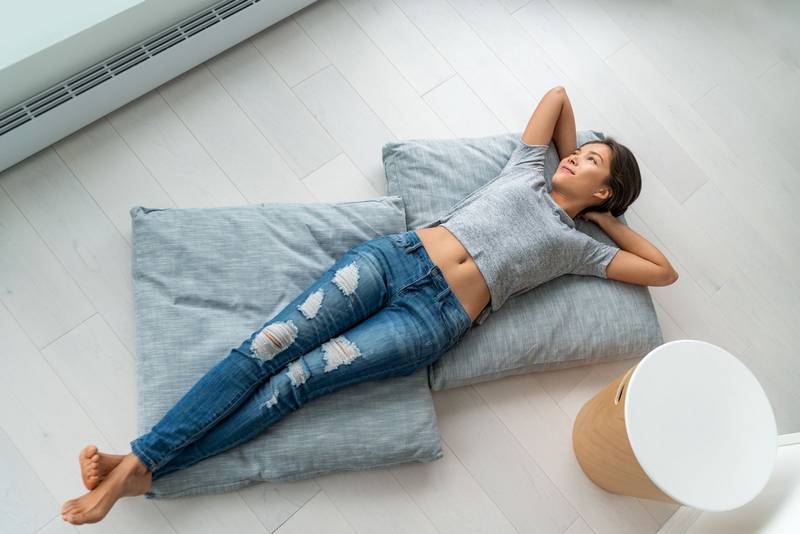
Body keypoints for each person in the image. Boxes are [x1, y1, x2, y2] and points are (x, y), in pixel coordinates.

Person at [61, 85, 678, 524]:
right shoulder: (526, 169)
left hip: (429, 322)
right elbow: (558, 96)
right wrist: (576, 161)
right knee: (264, 350)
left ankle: (139, 468)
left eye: (589, 162)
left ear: (604, 192)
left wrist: (603, 219)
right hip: (392, 262)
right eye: (578, 150)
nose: (573, 155)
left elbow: (662, 272)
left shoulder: (579, 249)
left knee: (295, 384)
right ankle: (141, 464)